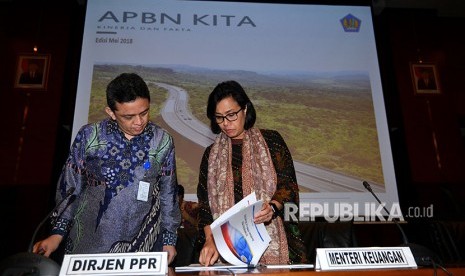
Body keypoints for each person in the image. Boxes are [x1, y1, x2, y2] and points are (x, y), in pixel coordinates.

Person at [33, 73, 181, 264]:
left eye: (144, 113)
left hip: (141, 245)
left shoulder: (162, 140)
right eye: (128, 116)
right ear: (111, 112)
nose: (139, 122)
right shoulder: (90, 137)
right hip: (88, 245)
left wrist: (169, 240)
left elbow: (168, 194)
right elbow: (70, 189)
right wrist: (57, 235)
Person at [196, 80, 308, 266]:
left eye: (231, 115)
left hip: (277, 244)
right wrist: (210, 240)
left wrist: (272, 208)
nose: (226, 123)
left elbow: (289, 188)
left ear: (245, 109)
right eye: (219, 117)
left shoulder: (272, 141)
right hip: (227, 251)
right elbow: (205, 206)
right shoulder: (211, 155)